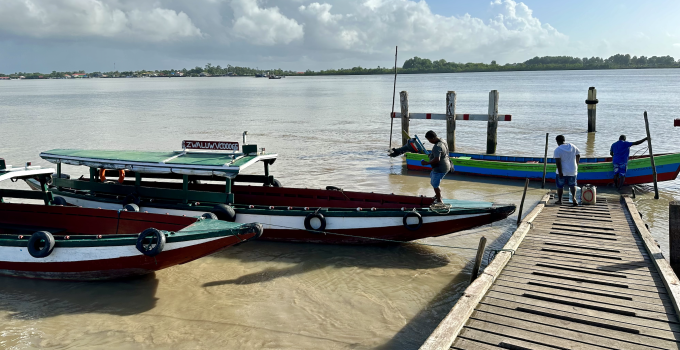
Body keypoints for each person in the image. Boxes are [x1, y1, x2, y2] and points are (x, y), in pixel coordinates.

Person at [419, 130, 451, 204]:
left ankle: (439, 200)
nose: (429, 141)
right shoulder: (442, 140)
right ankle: (438, 195)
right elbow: (441, 153)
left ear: (433, 138)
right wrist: (432, 155)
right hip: (444, 165)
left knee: (435, 184)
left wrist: (427, 163)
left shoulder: (437, 146)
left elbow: (437, 159)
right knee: (433, 181)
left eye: (429, 140)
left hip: (440, 168)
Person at [554, 135, 581, 206]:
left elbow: (558, 162)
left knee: (560, 186)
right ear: (564, 140)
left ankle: (560, 200)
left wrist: (560, 172)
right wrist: (576, 164)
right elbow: (578, 155)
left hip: (562, 171)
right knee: (573, 185)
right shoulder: (572, 146)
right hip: (572, 170)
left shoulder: (557, 150)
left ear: (557, 141)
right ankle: (574, 199)